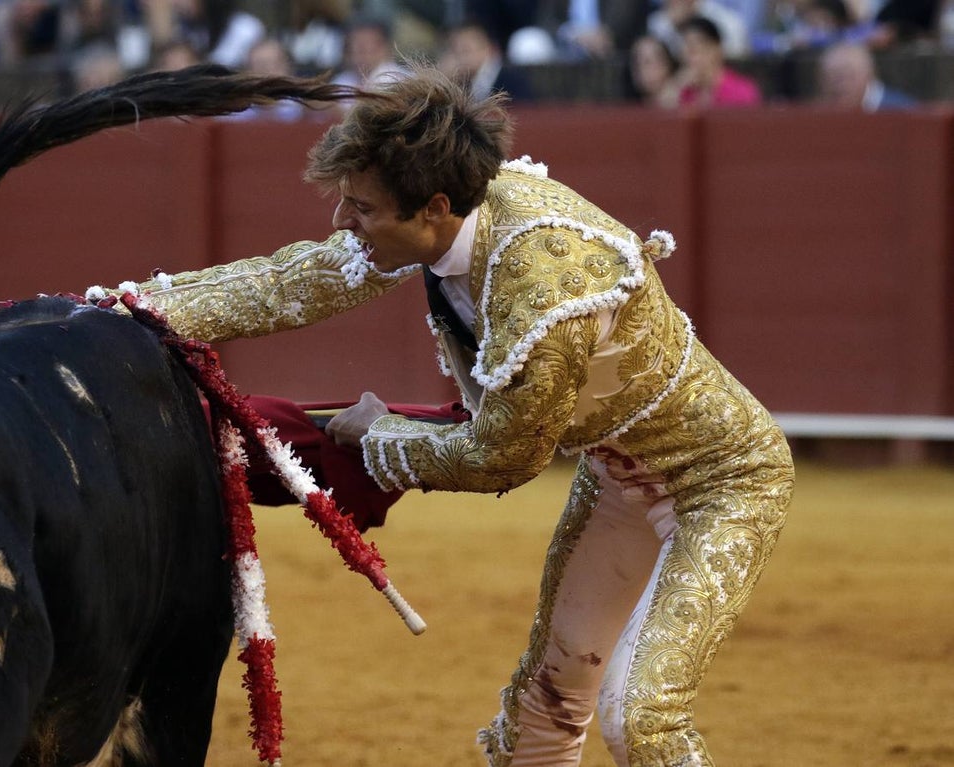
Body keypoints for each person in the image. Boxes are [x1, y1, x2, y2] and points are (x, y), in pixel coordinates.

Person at [111, 65, 795, 766]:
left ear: (433, 208)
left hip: (723, 481)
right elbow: (294, 283)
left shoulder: (544, 281)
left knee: (639, 715)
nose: (344, 222)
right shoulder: (451, 213)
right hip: (618, 473)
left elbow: (505, 456)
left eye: (361, 209)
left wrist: (382, 434)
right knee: (547, 702)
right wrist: (118, 310)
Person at [672, 14, 762, 107]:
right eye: (685, 52)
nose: (690, 59)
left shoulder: (742, 90)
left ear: (717, 49)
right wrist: (676, 87)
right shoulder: (683, 91)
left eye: (695, 50)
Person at [440, 18, 533, 102]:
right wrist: (444, 80)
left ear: (488, 49)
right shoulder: (462, 83)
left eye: (465, 50)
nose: (460, 58)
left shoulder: (512, 80)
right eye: (456, 52)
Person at [817, 39, 917, 110]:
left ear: (870, 75)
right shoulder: (820, 112)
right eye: (833, 77)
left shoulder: (902, 109)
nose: (841, 85)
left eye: (847, 76)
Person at [627, 32, 679, 105]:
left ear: (667, 64)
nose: (639, 69)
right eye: (636, 62)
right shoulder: (627, 107)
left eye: (647, 62)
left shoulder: (685, 101)